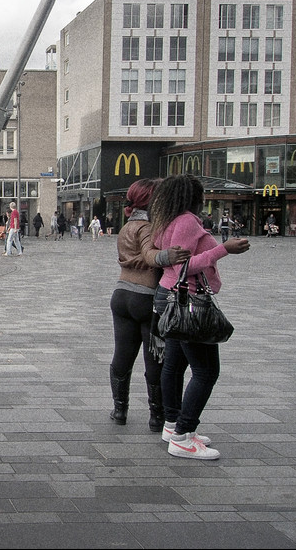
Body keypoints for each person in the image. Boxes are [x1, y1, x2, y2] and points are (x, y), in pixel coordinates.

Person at [149, 175, 249, 461]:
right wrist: (223, 249)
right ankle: (183, 435)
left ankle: (173, 425)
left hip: (169, 295)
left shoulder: (165, 220)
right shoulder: (185, 222)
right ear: (193, 197)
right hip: (187, 300)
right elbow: (185, 266)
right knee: (206, 371)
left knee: (175, 363)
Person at [109, 179, 190, 430]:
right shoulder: (146, 226)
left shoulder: (127, 225)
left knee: (123, 355)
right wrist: (168, 255)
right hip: (145, 298)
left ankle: (119, 410)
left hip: (121, 295)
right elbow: (148, 254)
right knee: (154, 358)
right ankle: (157, 416)